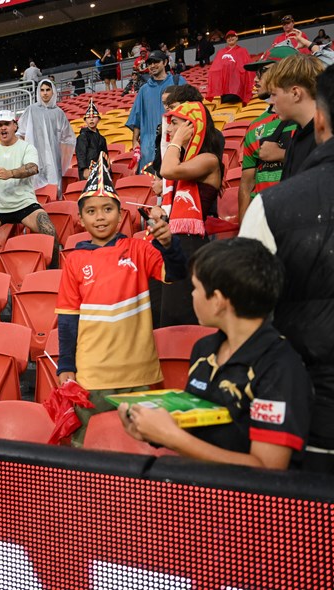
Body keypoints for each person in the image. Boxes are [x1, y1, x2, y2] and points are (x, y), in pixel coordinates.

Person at [119, 238, 311, 470]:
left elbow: (268, 470)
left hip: (246, 504)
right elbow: (196, 426)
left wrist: (172, 438)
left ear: (218, 301)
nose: (192, 296)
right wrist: (152, 430)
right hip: (198, 493)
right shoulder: (204, 349)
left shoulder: (279, 366)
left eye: (196, 288)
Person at [239, 64, 334, 473]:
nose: (268, 100)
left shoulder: (276, 206)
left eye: (272, 92)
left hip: (314, 391)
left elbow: (244, 296)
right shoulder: (295, 142)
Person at [55, 155, 186, 445]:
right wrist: (66, 364)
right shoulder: (74, 261)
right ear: (80, 219)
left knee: (141, 445)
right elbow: (67, 318)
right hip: (92, 374)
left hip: (138, 371)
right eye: (91, 211)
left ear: (121, 213)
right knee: (88, 446)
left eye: (107, 209)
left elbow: (176, 273)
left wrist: (168, 242)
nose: (100, 217)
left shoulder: (139, 249)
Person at [159, 101, 223, 327]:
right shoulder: (187, 160)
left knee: (183, 315)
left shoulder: (209, 159)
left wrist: (175, 142)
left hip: (192, 247)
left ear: (191, 127)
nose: (168, 130)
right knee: (167, 314)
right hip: (174, 244)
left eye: (174, 124)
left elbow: (167, 170)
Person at [0, 110, 55, 239]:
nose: (3, 128)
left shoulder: (27, 147)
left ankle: (56, 260)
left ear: (15, 126)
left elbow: (32, 168)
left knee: (49, 230)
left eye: (7, 124)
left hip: (24, 204)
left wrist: (10, 173)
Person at [238, 46, 299, 221]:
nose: (256, 79)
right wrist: (244, 229)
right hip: (264, 218)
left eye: (262, 72)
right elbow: (247, 183)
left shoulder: (314, 116)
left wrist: (282, 155)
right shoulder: (255, 125)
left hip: (299, 215)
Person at [265, 53, 325, 180]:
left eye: (274, 94)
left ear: (295, 93)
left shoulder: (326, 137)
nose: (271, 101)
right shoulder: (300, 133)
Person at [126, 50, 186, 171]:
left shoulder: (178, 82)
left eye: (156, 62)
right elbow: (137, 117)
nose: (152, 66)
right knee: (149, 182)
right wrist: (135, 142)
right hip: (148, 146)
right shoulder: (143, 90)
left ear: (165, 62)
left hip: (174, 140)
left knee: (173, 180)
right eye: (150, 63)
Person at [17, 79, 76, 191]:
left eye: (48, 90)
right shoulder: (31, 110)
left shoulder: (58, 113)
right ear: (38, 92)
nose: (45, 93)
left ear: (53, 91)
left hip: (53, 158)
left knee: (53, 188)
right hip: (34, 158)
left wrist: (60, 153)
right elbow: (20, 132)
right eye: (42, 90)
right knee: (35, 190)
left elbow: (68, 137)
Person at [206, 30, 254, 104]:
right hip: (225, 87)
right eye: (228, 37)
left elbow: (248, 67)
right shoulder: (221, 52)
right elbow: (215, 69)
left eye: (232, 36)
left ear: (236, 38)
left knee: (237, 103)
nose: (230, 38)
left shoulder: (243, 51)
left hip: (238, 85)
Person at [75, 100, 108, 180]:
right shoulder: (82, 137)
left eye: (94, 117)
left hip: (100, 170)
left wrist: (107, 170)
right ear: (85, 120)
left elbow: (105, 155)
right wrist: (84, 169)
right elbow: (81, 154)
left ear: (99, 119)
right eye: (89, 118)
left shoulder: (102, 139)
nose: (91, 120)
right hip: (88, 170)